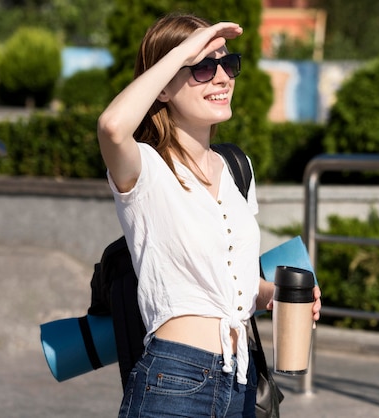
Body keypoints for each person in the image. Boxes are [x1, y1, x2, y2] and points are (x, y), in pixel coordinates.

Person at [97, 13, 321, 418]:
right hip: (175, 378)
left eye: (227, 64)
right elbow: (112, 126)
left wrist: (272, 295)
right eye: (202, 68)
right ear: (163, 87)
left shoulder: (236, 167)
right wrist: (184, 48)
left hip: (241, 379)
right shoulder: (146, 169)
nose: (222, 78)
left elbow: (230, 282)